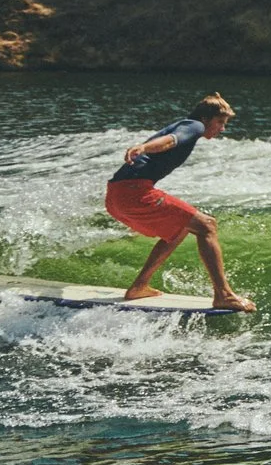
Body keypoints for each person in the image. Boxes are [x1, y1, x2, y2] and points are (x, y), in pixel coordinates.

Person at [106, 94, 255, 311]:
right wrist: (144, 148)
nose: (222, 129)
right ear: (206, 119)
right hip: (133, 192)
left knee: (180, 229)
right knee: (207, 225)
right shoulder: (194, 126)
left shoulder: (187, 124)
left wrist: (144, 149)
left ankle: (139, 287)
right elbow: (171, 140)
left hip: (115, 196)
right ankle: (224, 294)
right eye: (220, 122)